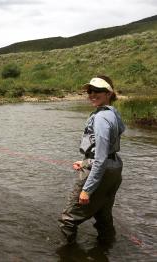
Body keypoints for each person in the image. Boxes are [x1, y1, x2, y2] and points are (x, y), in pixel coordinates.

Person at [59, 75, 125, 245]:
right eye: (90, 91)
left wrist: (87, 189)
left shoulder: (101, 118)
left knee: (68, 218)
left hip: (101, 168)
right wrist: (85, 160)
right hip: (114, 167)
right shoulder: (113, 113)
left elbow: (100, 159)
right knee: (103, 215)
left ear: (108, 93)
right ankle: (106, 250)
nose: (92, 94)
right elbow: (105, 148)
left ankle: (66, 254)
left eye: (98, 91)